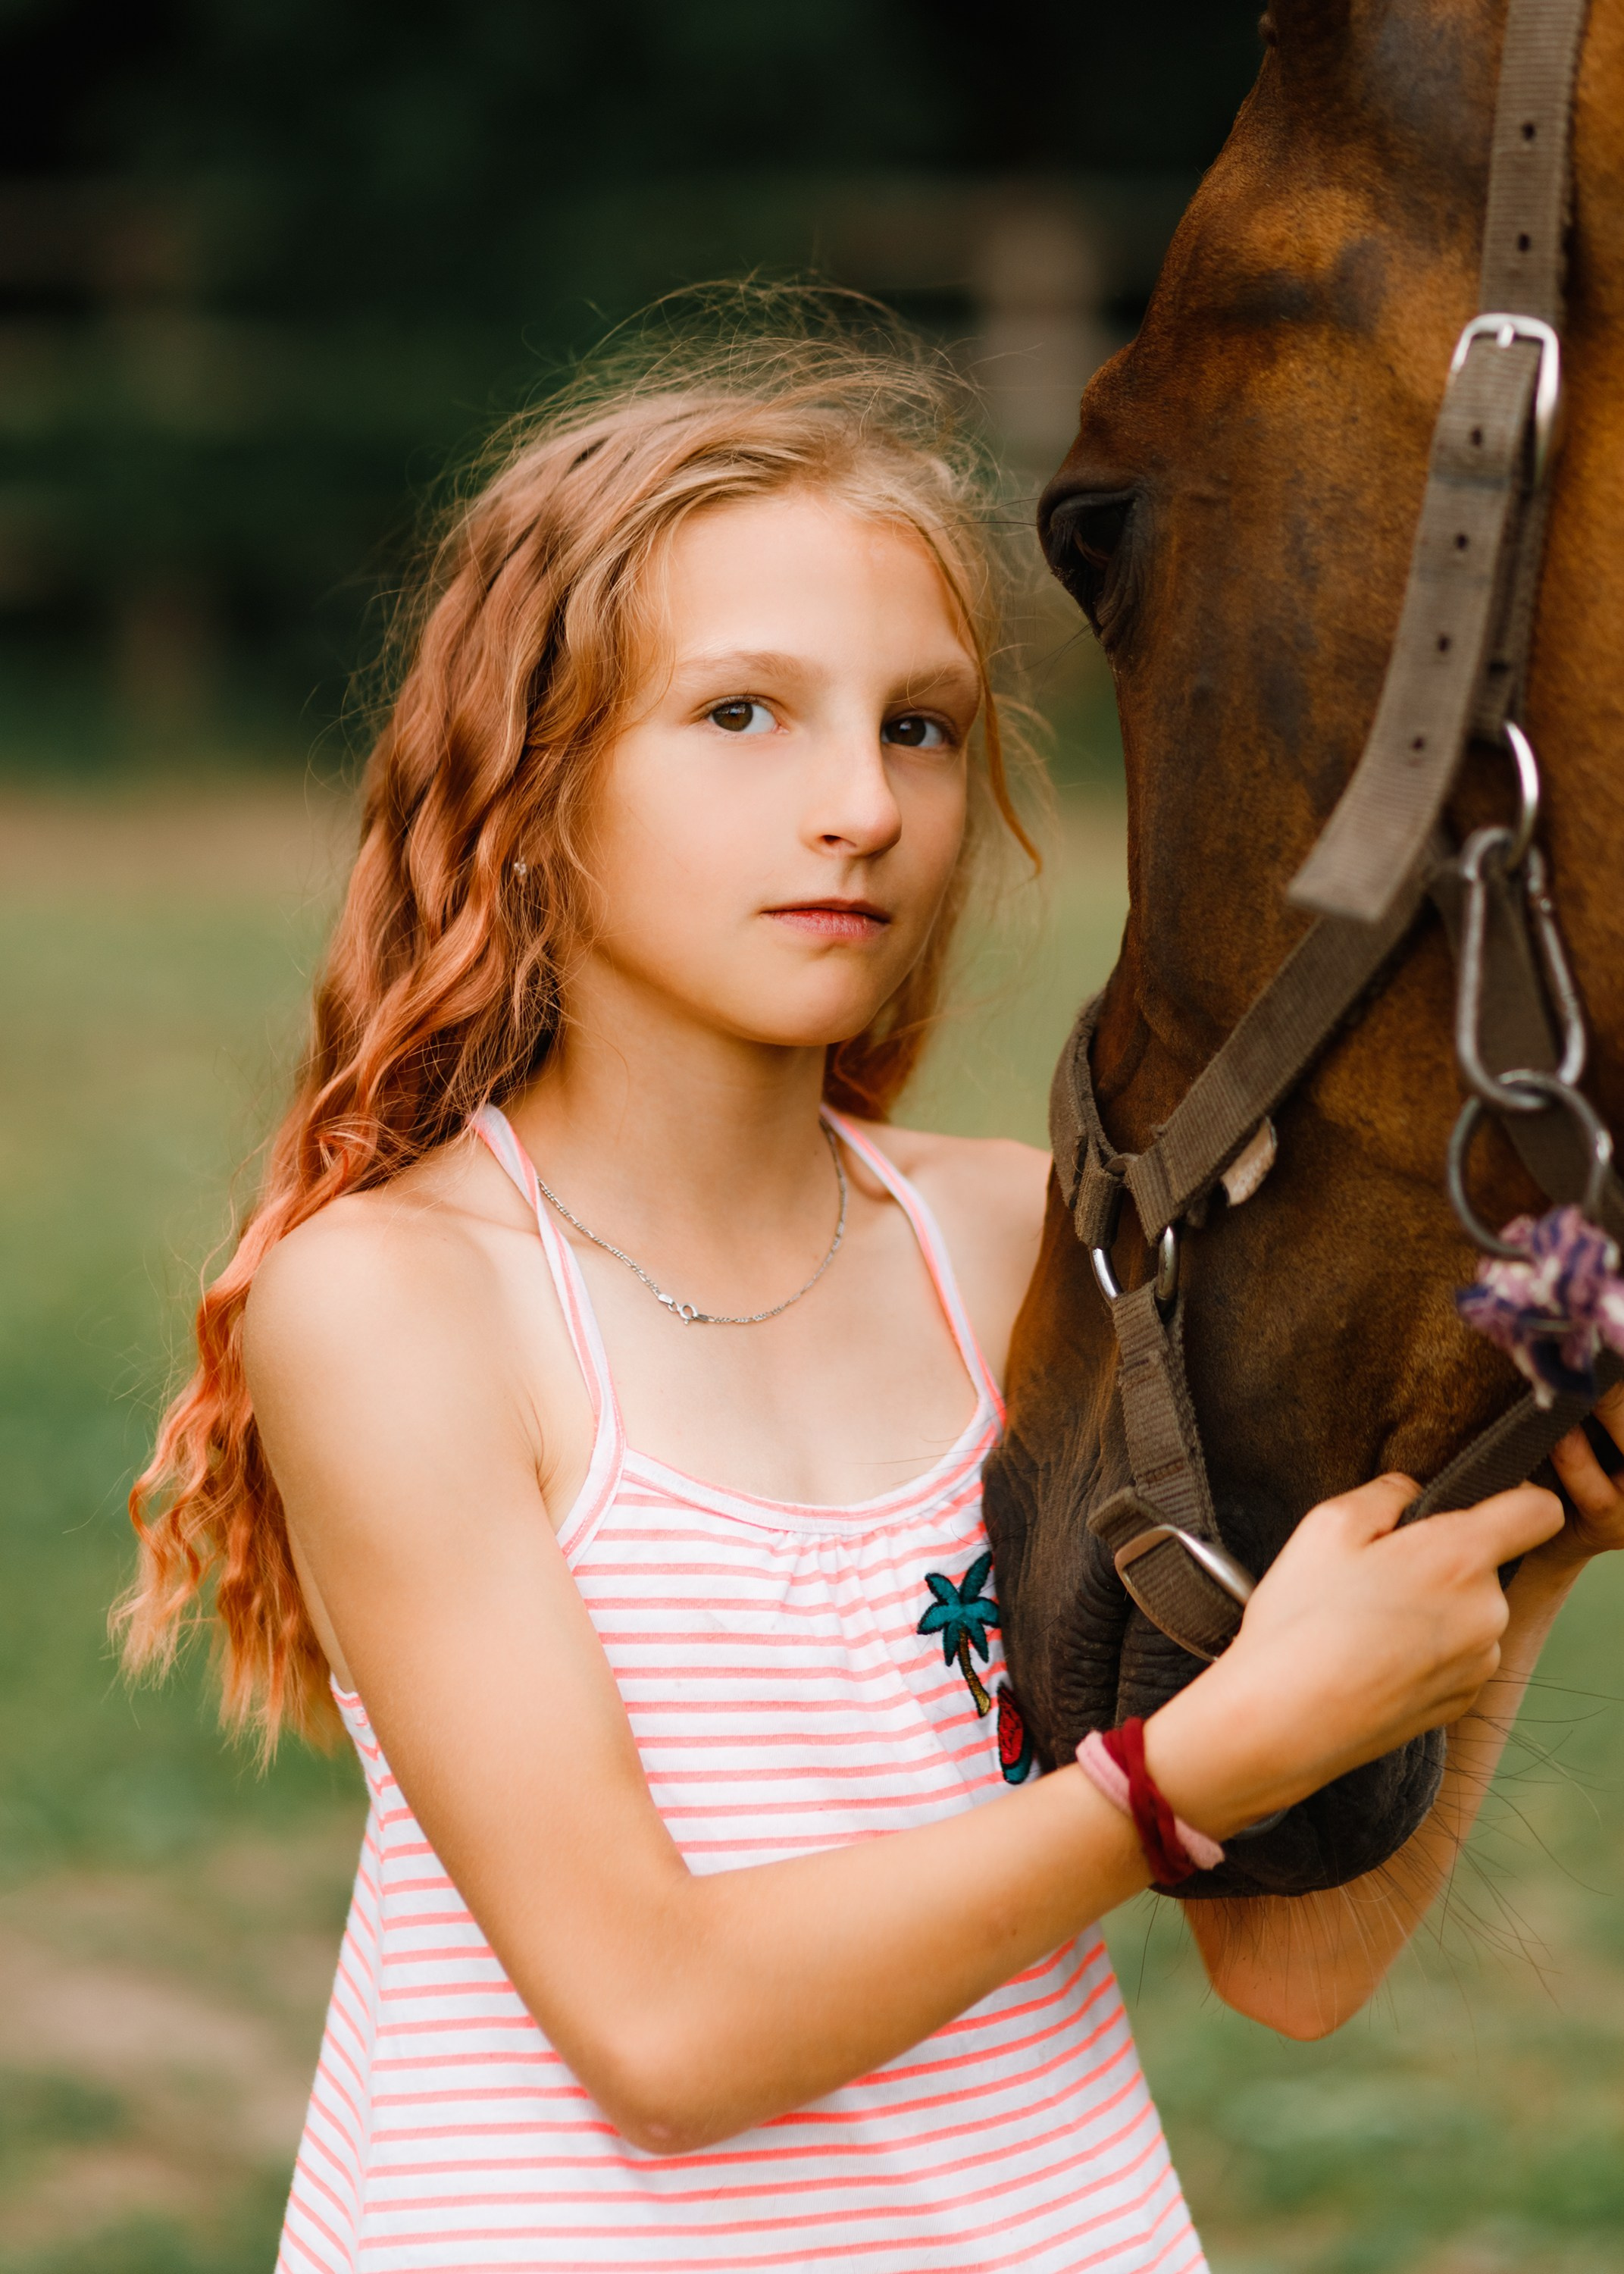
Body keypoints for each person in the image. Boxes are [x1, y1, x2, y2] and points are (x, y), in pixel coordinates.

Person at [118, 309, 1624, 2274]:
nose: (864, 807)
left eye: (918, 724)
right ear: (531, 778)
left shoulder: (1019, 1249)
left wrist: (1525, 1568)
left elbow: (1293, 1965)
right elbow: (660, 2027)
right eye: (743, 714)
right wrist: (1184, 1778)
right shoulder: (400, 1303)